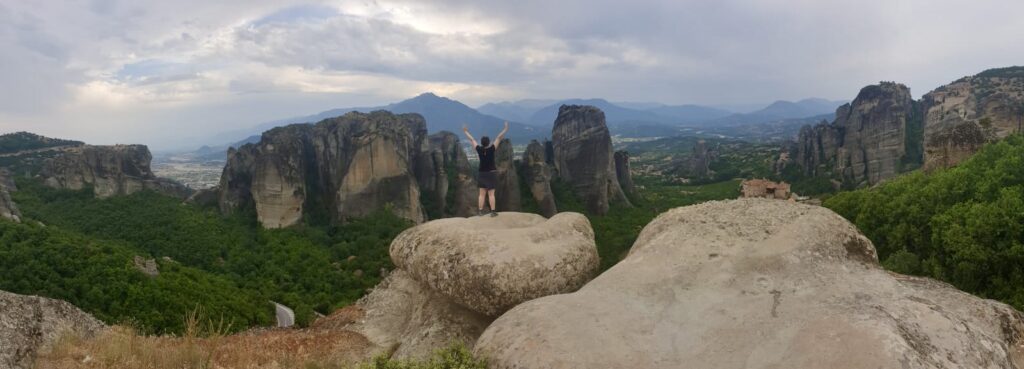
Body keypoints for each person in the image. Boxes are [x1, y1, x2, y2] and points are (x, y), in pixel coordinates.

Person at [462, 121, 509, 217]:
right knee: (491, 194)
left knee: (481, 194)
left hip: (482, 174)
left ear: (482, 143)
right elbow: (499, 138)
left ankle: (480, 211)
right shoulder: (492, 149)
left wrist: (465, 131)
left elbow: (472, 140)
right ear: (488, 142)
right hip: (491, 174)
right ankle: (492, 212)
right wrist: (505, 129)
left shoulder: (479, 149)